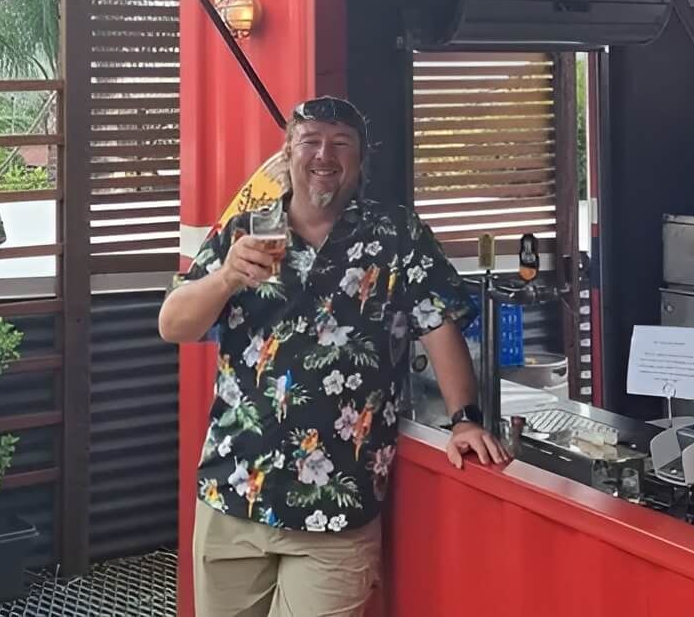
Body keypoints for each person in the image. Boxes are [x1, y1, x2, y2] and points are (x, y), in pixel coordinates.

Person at [159, 95, 508, 617]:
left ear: (360, 160)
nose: (325, 154)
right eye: (311, 141)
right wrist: (228, 276)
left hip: (336, 507)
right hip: (234, 495)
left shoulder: (396, 235)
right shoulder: (242, 231)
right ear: (288, 153)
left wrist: (465, 419)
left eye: (341, 143)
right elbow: (173, 324)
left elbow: (439, 325)